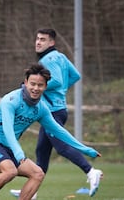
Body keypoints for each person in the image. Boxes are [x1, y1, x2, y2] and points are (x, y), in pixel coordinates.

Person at [0, 64, 101, 200]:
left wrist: (84, 149)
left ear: (46, 87)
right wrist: (18, 152)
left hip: (9, 148)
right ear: (25, 82)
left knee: (38, 173)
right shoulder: (11, 100)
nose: (36, 88)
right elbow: (7, 129)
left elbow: (59, 131)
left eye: (40, 85)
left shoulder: (41, 108)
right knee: (10, 171)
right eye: (32, 84)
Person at [34, 28, 102, 196]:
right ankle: (32, 191)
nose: (38, 42)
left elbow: (56, 80)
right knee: (41, 150)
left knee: (62, 147)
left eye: (43, 39)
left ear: (52, 43)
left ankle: (91, 171)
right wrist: (61, 91)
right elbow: (75, 75)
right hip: (57, 109)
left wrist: (32, 87)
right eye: (37, 39)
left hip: (53, 112)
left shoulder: (47, 59)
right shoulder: (60, 56)